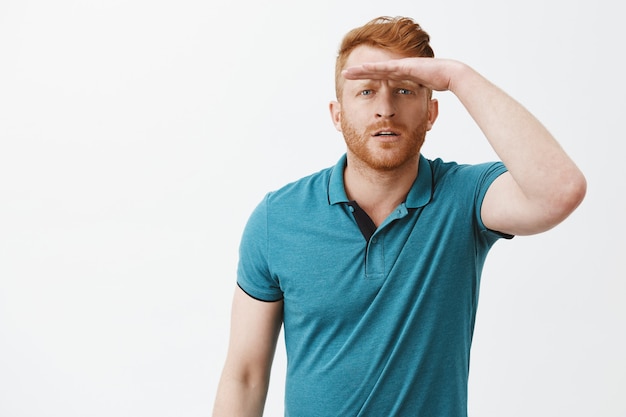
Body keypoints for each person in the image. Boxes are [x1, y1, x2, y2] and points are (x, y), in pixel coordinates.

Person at [212, 16, 586, 417]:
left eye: (405, 90)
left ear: (431, 112)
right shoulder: (278, 218)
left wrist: (457, 75)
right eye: (367, 92)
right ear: (337, 115)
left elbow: (559, 191)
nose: (385, 109)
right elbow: (245, 375)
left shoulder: (464, 198)